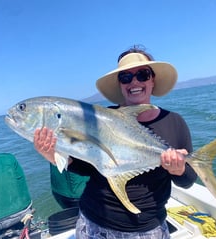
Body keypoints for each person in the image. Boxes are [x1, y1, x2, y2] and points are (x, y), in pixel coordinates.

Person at [34, 46, 197, 239]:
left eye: (142, 74)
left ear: (153, 79)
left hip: (146, 229)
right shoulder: (100, 118)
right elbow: (87, 166)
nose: (134, 81)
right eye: (125, 77)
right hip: (92, 222)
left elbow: (188, 180)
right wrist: (54, 155)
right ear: (120, 84)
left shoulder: (173, 121)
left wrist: (177, 169)